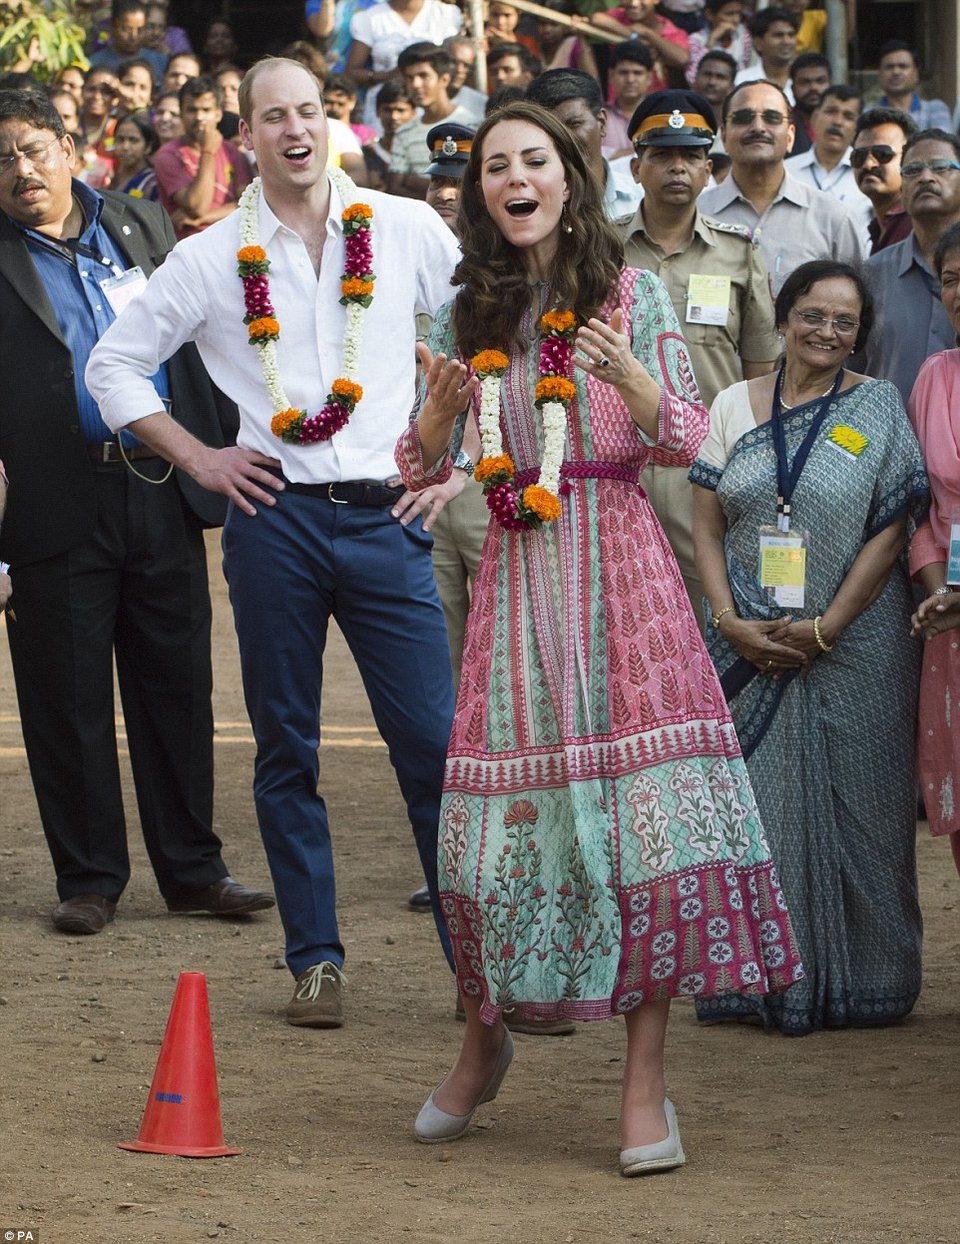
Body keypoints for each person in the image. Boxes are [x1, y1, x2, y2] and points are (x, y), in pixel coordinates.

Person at [396, 98, 801, 1170]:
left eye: (534, 160)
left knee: (638, 835)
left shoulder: (634, 292)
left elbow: (680, 436)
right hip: (517, 586)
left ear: (569, 178)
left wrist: (631, 378)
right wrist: (437, 419)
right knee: (485, 841)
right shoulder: (463, 315)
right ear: (480, 192)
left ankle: (645, 1088)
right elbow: (418, 461)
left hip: (623, 575)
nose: (513, 178)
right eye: (494, 167)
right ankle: (483, 1049)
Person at [86, 57, 461, 1028]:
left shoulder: (404, 227)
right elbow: (114, 365)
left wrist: (469, 459)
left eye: (309, 112)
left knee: (432, 744)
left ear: (329, 122)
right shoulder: (212, 257)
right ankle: (316, 960)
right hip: (272, 519)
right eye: (271, 117)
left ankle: (480, 955)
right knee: (287, 744)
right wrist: (200, 456)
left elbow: (490, 328)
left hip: (388, 512)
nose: (294, 130)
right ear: (242, 136)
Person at [0, 88, 273, 935]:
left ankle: (194, 871)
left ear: (72, 146)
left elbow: (195, 344)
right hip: (48, 499)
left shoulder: (139, 225)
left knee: (178, 686)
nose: (20, 171)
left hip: (159, 485)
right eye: (1, 157)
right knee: (66, 699)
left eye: (33, 149)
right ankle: (89, 880)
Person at [689, 259, 928, 1034]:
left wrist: (828, 627)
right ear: (785, 317)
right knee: (756, 814)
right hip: (749, 641)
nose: (827, 331)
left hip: (859, 647)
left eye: (845, 322)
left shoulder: (880, 406)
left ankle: (870, 983)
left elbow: (891, 531)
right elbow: (707, 525)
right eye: (813, 315)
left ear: (860, 335)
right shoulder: (733, 404)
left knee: (867, 813)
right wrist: (729, 622)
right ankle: (760, 983)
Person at [617, 90, 779, 628]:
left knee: (711, 606)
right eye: (662, 155)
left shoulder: (737, 251)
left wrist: (758, 459)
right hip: (620, 463)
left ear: (709, 170)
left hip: (708, 462)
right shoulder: (600, 249)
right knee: (620, 606)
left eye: (690, 156)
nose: (677, 168)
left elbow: (761, 367)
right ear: (637, 167)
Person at [699, 80, 864, 295]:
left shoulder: (834, 219)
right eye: (743, 118)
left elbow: (859, 311)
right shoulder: (696, 215)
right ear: (724, 135)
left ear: (790, 136)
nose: (758, 127)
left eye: (772, 118)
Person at [907, 221, 960, 875]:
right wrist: (936, 590)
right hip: (949, 615)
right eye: (951, 279)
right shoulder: (935, 375)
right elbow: (915, 510)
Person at [861, 129, 960, 404]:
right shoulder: (871, 275)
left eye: (941, 167)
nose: (926, 177)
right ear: (901, 191)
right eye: (913, 170)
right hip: (882, 441)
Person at [525, 69, 642, 220]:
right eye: (550, 130)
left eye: (574, 124)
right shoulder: (529, 211)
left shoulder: (640, 200)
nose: (564, 138)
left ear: (602, 122)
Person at [153, 77, 252, 239]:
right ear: (181, 113)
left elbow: (248, 204)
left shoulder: (231, 150)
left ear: (218, 114)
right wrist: (208, 151)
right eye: (192, 110)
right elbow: (197, 206)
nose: (199, 117)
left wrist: (205, 218)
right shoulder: (168, 155)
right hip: (189, 246)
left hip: (232, 242)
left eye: (206, 110)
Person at [347, 0, 463, 129]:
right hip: (388, 112)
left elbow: (458, 61)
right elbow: (351, 73)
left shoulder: (447, 14)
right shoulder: (369, 18)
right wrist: (389, 76)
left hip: (433, 108)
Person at [388, 43, 483, 197]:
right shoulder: (403, 132)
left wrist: (412, 181)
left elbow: (468, 185)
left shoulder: (470, 125)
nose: (416, 84)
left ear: (444, 79)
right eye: (409, 78)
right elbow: (394, 188)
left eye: (423, 76)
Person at [784, 85, 871, 244]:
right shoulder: (785, 171)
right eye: (831, 112)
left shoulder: (869, 175)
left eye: (848, 116)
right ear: (814, 118)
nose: (838, 122)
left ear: (857, 129)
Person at [851, 106, 915, 254]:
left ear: (910, 160)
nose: (868, 165)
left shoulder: (921, 224)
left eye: (882, 154)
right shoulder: (876, 228)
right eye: (859, 156)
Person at [591, 0, 690, 92]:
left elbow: (682, 59)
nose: (634, 3)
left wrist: (649, 34)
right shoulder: (620, 16)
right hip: (619, 102)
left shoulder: (673, 32)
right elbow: (597, 19)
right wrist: (635, 37)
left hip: (656, 101)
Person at [876, 41, 950, 133]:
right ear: (879, 73)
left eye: (903, 66)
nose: (896, 72)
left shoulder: (935, 110)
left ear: (916, 72)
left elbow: (942, 145)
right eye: (889, 67)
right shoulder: (868, 113)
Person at [733, 7, 799, 103]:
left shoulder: (805, 81)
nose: (786, 41)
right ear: (758, 43)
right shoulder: (741, 81)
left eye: (791, 35)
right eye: (778, 35)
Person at [602, 44, 653, 159]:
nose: (630, 79)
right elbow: (595, 160)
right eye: (624, 73)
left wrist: (615, 156)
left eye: (637, 73)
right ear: (611, 76)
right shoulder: (599, 116)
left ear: (649, 78)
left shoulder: (659, 114)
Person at [685, 0, 752, 87]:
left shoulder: (743, 35)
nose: (736, 20)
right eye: (729, 14)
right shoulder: (696, 39)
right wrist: (711, 41)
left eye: (739, 14)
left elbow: (746, 70)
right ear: (710, 15)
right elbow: (692, 78)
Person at [786, 51, 830, 156]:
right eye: (804, 82)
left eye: (820, 81)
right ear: (792, 88)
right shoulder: (783, 125)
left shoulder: (846, 123)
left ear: (830, 84)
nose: (813, 87)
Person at [110, 110, 159, 197]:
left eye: (133, 140)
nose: (125, 147)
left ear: (148, 146)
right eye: (120, 139)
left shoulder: (152, 183)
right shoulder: (110, 176)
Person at [691, 47, 736, 112]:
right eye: (707, 74)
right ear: (695, 78)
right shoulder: (679, 114)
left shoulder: (738, 121)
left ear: (732, 87)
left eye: (720, 77)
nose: (712, 82)